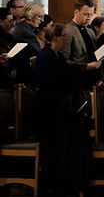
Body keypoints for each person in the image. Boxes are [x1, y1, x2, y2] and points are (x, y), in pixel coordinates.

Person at [32, 23, 91, 197]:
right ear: (56, 38)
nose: (66, 39)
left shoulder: (55, 56)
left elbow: (66, 76)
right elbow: (55, 82)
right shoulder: (46, 57)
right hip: (50, 112)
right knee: (53, 151)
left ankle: (67, 183)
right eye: (64, 36)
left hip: (59, 108)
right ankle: (54, 185)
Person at [62, 0, 102, 89]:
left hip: (93, 80)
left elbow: (95, 55)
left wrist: (100, 78)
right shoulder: (67, 31)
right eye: (86, 14)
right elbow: (64, 61)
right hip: (77, 81)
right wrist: (86, 66)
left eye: (91, 15)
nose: (89, 18)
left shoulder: (90, 31)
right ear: (76, 12)